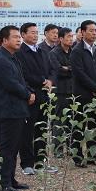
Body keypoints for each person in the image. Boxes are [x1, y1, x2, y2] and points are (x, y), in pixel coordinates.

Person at [0, 25, 35, 191]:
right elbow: (11, 84)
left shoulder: (12, 57)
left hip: (17, 109)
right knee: (7, 148)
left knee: (14, 147)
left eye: (19, 37)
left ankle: (10, 179)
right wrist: (27, 94)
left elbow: (21, 80)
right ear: (4, 40)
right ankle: (3, 183)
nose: (19, 40)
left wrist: (29, 91)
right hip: (9, 109)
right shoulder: (1, 59)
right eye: (15, 37)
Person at [16, 23, 57, 174]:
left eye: (36, 32)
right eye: (32, 33)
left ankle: (41, 162)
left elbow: (52, 69)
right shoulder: (20, 52)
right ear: (23, 34)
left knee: (42, 129)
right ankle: (27, 164)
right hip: (30, 96)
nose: (35, 35)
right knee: (27, 131)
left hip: (44, 96)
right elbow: (24, 74)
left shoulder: (41, 51)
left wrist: (50, 81)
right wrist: (42, 81)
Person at [70, 20, 96, 167]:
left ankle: (92, 155)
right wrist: (95, 87)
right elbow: (79, 73)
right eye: (91, 30)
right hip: (81, 95)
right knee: (79, 127)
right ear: (83, 32)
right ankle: (77, 157)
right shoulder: (77, 51)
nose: (94, 33)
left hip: (95, 95)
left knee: (94, 126)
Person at [49, 27, 74, 157]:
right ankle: (58, 149)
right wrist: (69, 69)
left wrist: (68, 69)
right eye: (68, 36)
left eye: (72, 36)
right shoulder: (54, 53)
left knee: (72, 120)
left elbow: (77, 69)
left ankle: (71, 148)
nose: (71, 39)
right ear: (61, 39)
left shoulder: (73, 52)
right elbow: (58, 70)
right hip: (60, 91)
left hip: (73, 91)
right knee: (59, 121)